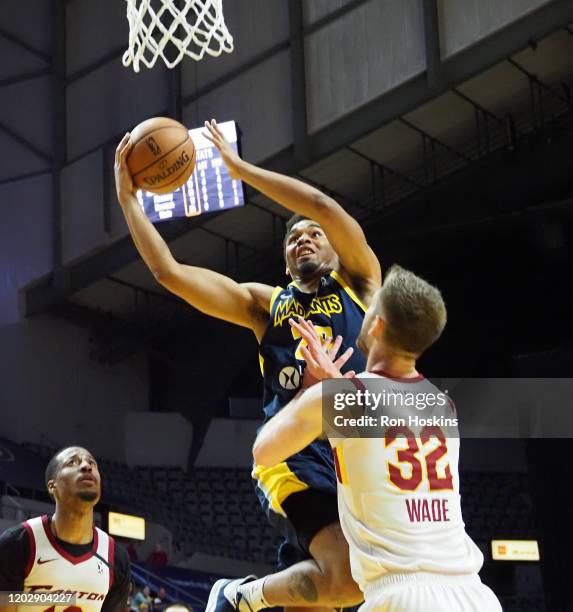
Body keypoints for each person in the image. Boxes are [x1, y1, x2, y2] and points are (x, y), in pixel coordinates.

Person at [115, 120, 382, 611]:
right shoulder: (267, 305)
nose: (303, 238)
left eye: (313, 235)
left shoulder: (361, 284)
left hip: (358, 458)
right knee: (350, 580)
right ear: (284, 263)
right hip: (295, 453)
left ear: (334, 247)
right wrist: (129, 198)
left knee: (328, 597)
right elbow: (169, 273)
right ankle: (239, 596)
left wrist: (239, 170)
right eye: (293, 238)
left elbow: (322, 205)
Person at [253, 266, 503, 611]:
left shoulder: (344, 397)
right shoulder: (443, 406)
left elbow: (264, 452)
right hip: (474, 596)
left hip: (402, 595)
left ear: (377, 325)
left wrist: (309, 394)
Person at [0, 446, 131, 612]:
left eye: (92, 463)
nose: (86, 466)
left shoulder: (116, 557)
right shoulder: (18, 543)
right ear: (52, 486)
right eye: (72, 462)